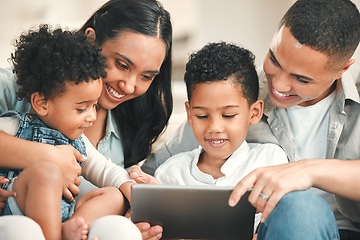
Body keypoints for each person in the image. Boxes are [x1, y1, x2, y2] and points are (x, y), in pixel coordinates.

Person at [133, 0, 360, 239]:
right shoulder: (238, 92)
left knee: (300, 207)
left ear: (343, 69)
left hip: (341, 229)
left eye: (301, 79)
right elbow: (153, 173)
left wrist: (309, 171)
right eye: (274, 60)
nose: (279, 85)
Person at [0, 0, 172, 239]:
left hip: (72, 221)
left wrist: (135, 203)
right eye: (121, 64)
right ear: (91, 39)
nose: (129, 85)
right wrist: (50, 156)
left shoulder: (128, 125)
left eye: (146, 76)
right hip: (17, 211)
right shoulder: (17, 87)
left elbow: (106, 171)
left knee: (116, 196)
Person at [152, 42, 289, 235]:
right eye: (202, 116)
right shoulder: (171, 175)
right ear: (189, 114)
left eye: (228, 115)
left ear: (255, 112)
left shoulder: (271, 162)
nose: (215, 128)